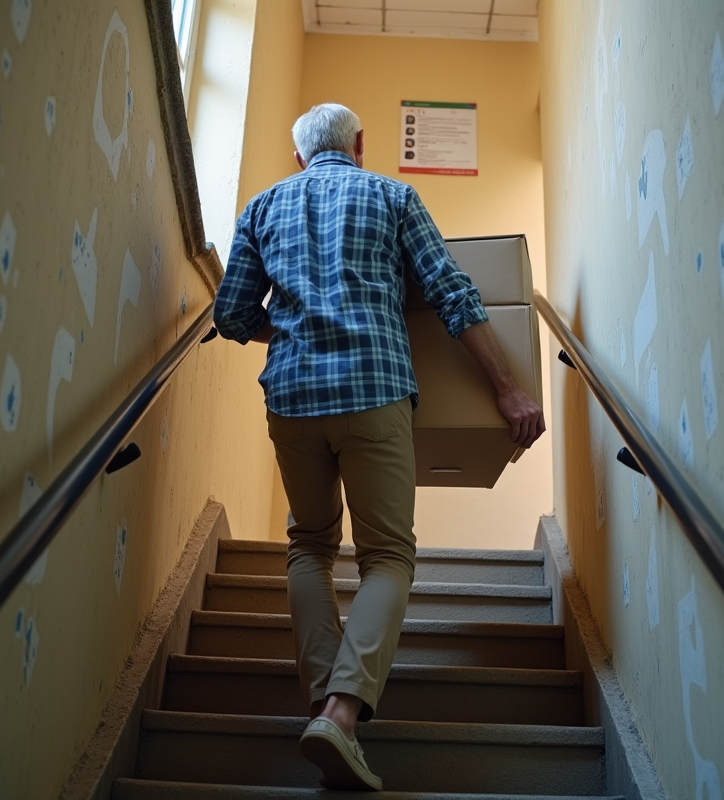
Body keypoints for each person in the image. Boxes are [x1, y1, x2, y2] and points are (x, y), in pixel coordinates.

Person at [212, 103, 545, 791]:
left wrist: (299, 332)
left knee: (307, 543)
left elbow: (232, 316)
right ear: (360, 144)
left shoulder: (261, 206)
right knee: (387, 555)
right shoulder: (393, 194)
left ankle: (323, 710)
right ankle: (340, 713)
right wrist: (509, 389)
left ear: (298, 155)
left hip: (293, 399)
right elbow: (454, 293)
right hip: (374, 390)